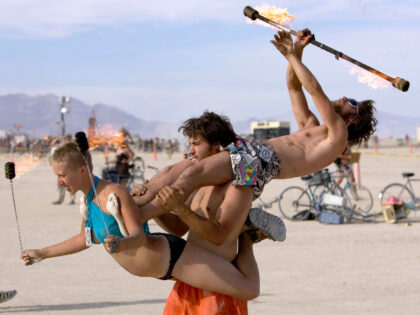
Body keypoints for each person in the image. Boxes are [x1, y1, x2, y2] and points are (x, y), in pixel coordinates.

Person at [132, 29, 377, 213]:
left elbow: (314, 90)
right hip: (250, 151)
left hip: (260, 161)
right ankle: (137, 201)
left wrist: (293, 56)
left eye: (351, 101)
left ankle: (138, 214)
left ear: (353, 119)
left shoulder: (338, 136)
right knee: (179, 168)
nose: (344, 97)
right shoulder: (313, 127)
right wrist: (297, 52)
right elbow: (294, 89)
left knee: (192, 175)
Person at [21, 142, 261, 301]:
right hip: (163, 268)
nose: (59, 182)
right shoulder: (89, 202)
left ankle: (246, 235)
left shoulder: (115, 193)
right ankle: (241, 220)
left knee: (249, 290)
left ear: (82, 170)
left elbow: (137, 236)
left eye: (62, 175)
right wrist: (42, 253)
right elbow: (83, 240)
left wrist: (121, 244)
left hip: (174, 259)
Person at [147, 112, 285, 314]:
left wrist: (179, 207)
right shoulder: (197, 182)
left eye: (196, 144)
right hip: (190, 279)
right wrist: (156, 206)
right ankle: (247, 230)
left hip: (219, 286)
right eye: (190, 144)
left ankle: (247, 235)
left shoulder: (239, 184)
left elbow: (219, 235)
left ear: (217, 147)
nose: (190, 151)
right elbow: (178, 228)